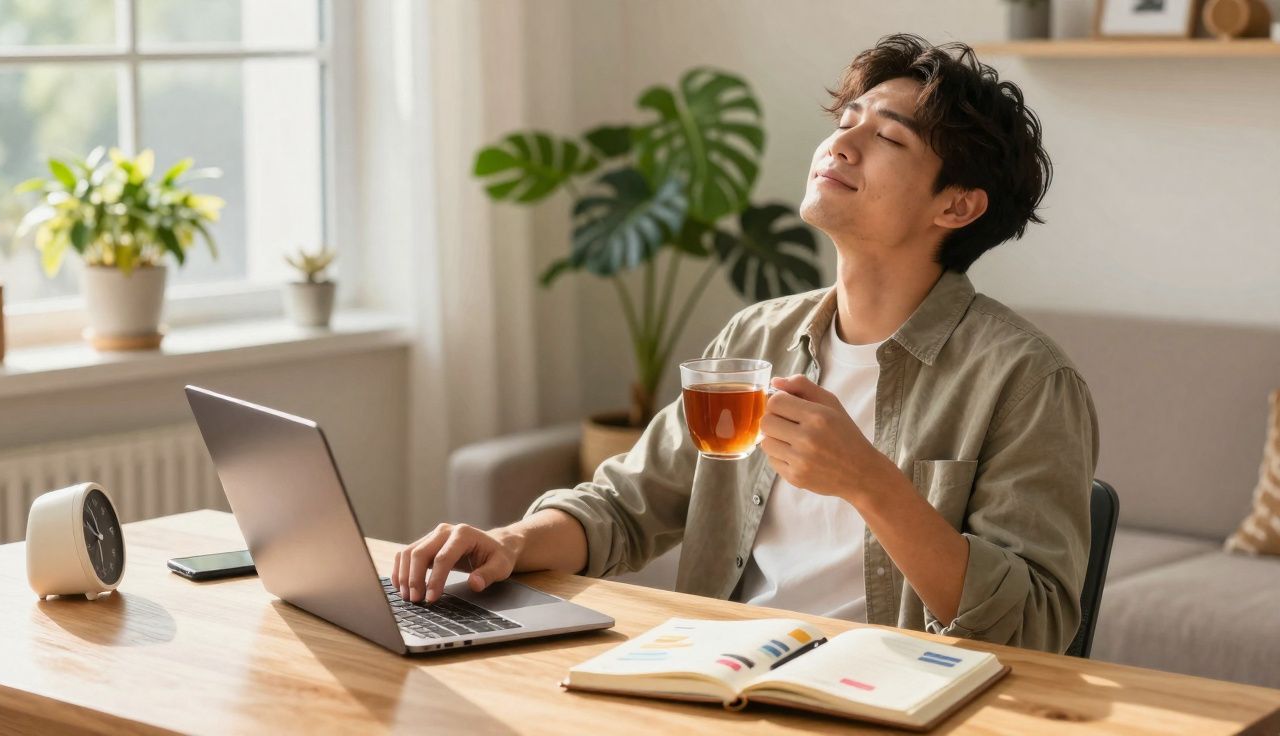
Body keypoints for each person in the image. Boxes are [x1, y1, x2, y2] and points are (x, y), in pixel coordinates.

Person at [392, 33, 1098, 653]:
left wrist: (870, 482)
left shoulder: (1025, 380)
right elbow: (627, 506)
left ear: (957, 205)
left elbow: (1034, 626)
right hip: (719, 671)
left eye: (887, 138)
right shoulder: (757, 336)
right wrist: (509, 543)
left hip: (892, 695)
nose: (839, 144)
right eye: (846, 122)